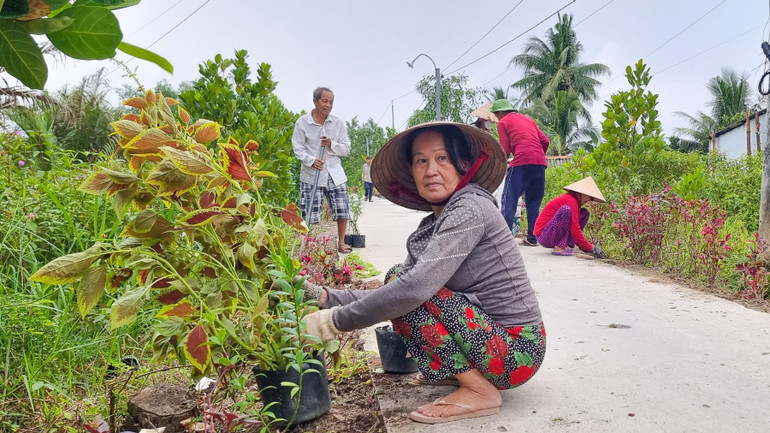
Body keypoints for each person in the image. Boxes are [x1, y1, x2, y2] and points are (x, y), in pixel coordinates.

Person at [301, 122, 546, 424]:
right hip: (491, 342)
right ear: (412, 170)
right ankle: (463, 374)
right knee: (399, 280)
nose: (431, 170)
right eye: (421, 160)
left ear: (463, 164)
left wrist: (333, 322)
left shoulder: (470, 208)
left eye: (442, 158)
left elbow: (412, 289)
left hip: (517, 351)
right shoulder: (437, 221)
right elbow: (397, 288)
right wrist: (327, 297)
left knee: (408, 291)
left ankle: (479, 390)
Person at [292, 87, 353, 253]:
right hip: (312, 174)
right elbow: (298, 148)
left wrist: (331, 144)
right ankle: (308, 246)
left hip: (334, 172)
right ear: (315, 101)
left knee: (342, 208)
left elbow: (346, 149)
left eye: (331, 102)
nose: (328, 105)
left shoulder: (337, 123)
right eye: (325, 101)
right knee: (309, 212)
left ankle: (341, 243)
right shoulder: (302, 123)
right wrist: (311, 161)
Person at [490, 99, 550, 247]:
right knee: (533, 202)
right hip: (540, 164)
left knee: (508, 200)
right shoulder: (529, 120)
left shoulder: (503, 122)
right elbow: (545, 141)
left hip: (521, 163)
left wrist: (497, 165)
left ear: (501, 113)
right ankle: (532, 238)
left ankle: (504, 240)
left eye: (496, 115)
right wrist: (537, 156)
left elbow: (504, 150)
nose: (497, 118)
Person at [533, 176, 608, 258]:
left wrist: (584, 246)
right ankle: (559, 247)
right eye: (590, 196)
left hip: (549, 235)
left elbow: (574, 227)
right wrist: (590, 247)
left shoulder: (575, 202)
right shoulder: (570, 200)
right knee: (566, 210)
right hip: (544, 236)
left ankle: (567, 246)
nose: (590, 199)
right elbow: (575, 228)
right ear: (581, 193)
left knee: (584, 213)